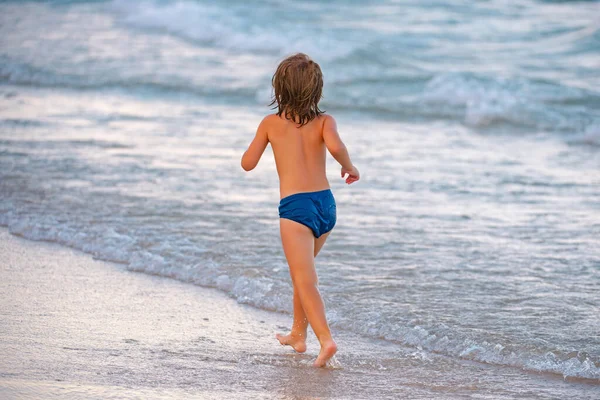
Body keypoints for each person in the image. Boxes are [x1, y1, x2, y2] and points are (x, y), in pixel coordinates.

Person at [240, 53, 360, 367]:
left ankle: (326, 340)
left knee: (305, 279)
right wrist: (349, 167)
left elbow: (247, 164)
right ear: (317, 89)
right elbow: (335, 147)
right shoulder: (325, 121)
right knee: (301, 274)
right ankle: (297, 334)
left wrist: (263, 140)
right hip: (325, 205)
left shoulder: (270, 124)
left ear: (278, 89)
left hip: (295, 210)